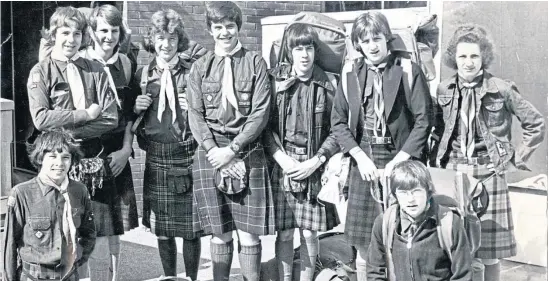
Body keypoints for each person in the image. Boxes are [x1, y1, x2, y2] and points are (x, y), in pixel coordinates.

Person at [430, 24, 545, 281]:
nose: (468, 62)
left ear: (484, 57)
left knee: (488, 251)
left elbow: (535, 124)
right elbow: (437, 130)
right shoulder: (443, 90)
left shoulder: (501, 89)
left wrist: (516, 158)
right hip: (453, 172)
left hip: (489, 172)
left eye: (474, 56)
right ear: (453, 58)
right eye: (462, 56)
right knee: (454, 242)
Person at [330, 11, 432, 280]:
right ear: (358, 44)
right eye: (365, 41)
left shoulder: (408, 69)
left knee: (403, 236)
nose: (372, 46)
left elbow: (424, 121)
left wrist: (402, 158)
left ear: (387, 38)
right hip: (363, 158)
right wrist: (359, 157)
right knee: (366, 242)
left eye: (377, 38)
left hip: (401, 156)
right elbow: (338, 123)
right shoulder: (350, 72)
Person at [187, 2, 274, 280]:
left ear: (238, 27)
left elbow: (261, 112)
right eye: (218, 27)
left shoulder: (255, 63)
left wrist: (233, 150)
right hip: (209, 152)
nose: (224, 32)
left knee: (248, 234)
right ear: (210, 30)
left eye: (229, 26)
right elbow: (194, 113)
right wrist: (215, 151)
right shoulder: (200, 67)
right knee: (220, 232)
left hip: (247, 149)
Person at [129, 9, 206, 281]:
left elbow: (208, 110)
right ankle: (170, 277)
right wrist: (135, 108)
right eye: (160, 37)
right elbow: (128, 118)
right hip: (157, 156)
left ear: (179, 40)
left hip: (186, 155)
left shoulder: (194, 71)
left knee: (191, 229)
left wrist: (195, 107)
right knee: (162, 228)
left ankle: (193, 278)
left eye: (172, 38)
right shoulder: (141, 74)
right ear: (152, 38)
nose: (166, 44)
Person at [263, 23, 340, 281]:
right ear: (289, 51)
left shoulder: (328, 85)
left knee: (309, 232)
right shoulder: (276, 83)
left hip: (314, 165)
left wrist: (317, 161)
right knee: (284, 232)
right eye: (298, 49)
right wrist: (281, 159)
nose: (304, 55)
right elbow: (264, 127)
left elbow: (337, 131)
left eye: (308, 48)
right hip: (283, 163)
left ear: (315, 51)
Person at [78, 4, 139, 281]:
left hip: (117, 156)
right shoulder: (79, 63)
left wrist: (126, 150)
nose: (109, 36)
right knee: (89, 226)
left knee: (115, 226)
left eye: (114, 30)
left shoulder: (125, 64)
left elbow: (129, 115)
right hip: (87, 156)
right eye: (103, 30)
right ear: (92, 31)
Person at [2, 130, 96, 281]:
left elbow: (89, 234)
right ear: (40, 159)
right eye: (52, 156)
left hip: (69, 275)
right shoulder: (22, 193)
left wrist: (76, 260)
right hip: (33, 276)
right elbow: (10, 246)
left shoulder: (79, 191)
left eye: (66, 157)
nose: (59, 163)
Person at [366, 160, 472, 281]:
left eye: (416, 191)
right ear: (395, 195)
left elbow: (463, 275)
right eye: (403, 193)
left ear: (428, 191)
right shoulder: (384, 222)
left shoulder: (449, 222)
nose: (411, 199)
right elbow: (374, 270)